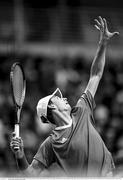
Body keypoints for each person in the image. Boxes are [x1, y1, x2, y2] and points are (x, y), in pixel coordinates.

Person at [10, 16, 119, 177]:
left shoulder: (82, 109)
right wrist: (19, 155)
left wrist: (102, 44)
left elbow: (96, 74)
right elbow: (30, 174)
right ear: (52, 107)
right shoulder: (51, 143)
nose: (65, 98)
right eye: (59, 98)